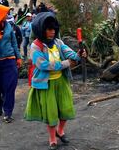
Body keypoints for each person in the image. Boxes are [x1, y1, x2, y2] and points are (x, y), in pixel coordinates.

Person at [24, 12, 86, 150]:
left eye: (53, 29)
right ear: (41, 30)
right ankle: (52, 138)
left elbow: (70, 53)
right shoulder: (35, 46)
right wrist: (66, 63)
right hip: (46, 84)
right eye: (48, 29)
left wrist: (78, 55)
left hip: (61, 81)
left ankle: (60, 131)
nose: (52, 32)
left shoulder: (58, 42)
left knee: (65, 108)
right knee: (51, 112)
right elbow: (43, 65)